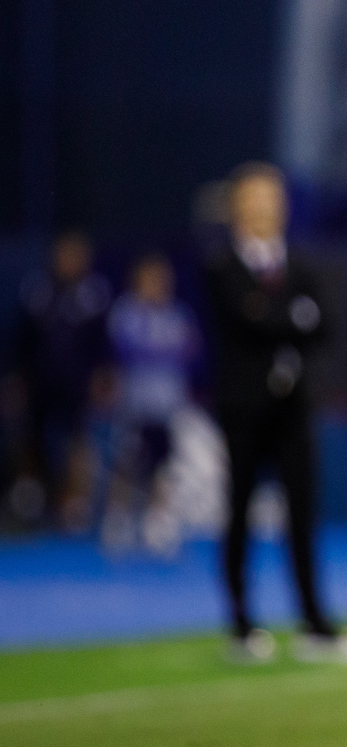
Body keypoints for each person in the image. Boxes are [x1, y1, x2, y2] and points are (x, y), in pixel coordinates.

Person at [205, 162, 347, 665]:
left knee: (302, 515)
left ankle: (313, 620)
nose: (266, 208)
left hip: (295, 405)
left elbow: (323, 323)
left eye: (273, 199)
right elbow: (244, 321)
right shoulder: (221, 265)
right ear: (238, 207)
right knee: (240, 511)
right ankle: (240, 622)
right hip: (244, 406)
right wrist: (288, 318)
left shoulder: (298, 263)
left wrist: (275, 317)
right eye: (256, 199)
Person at [102, 252, 201, 555]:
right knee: (127, 463)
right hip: (135, 406)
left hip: (168, 405)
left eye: (162, 281)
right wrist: (162, 349)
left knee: (164, 465)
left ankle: (158, 521)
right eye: (151, 280)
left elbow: (191, 350)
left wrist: (161, 349)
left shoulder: (178, 315)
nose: (157, 286)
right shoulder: (126, 313)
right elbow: (129, 349)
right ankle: (117, 519)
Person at [12, 231, 111, 531]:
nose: (70, 262)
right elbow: (22, 340)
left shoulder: (94, 294)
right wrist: (17, 380)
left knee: (78, 441)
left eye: (76, 255)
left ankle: (73, 505)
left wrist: (102, 377)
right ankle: (30, 499)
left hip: (76, 383)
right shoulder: (38, 290)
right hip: (40, 382)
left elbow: (102, 343)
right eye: (64, 255)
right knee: (31, 439)